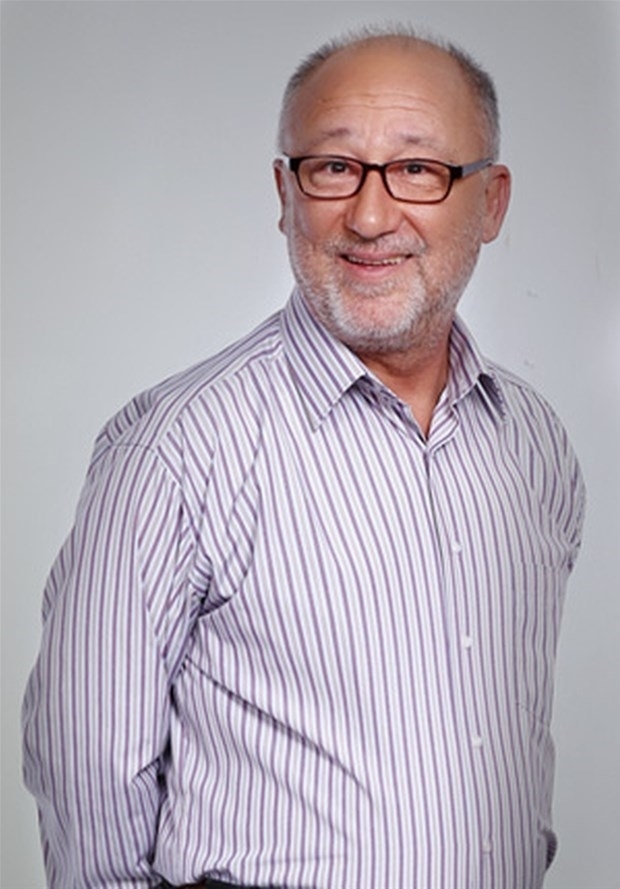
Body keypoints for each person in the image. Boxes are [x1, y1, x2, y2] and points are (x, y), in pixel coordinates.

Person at [22, 24, 585, 889]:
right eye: (332, 168)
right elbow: (84, 767)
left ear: (491, 203)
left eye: (417, 169)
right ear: (285, 193)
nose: (370, 215)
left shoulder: (535, 445)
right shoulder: (177, 448)